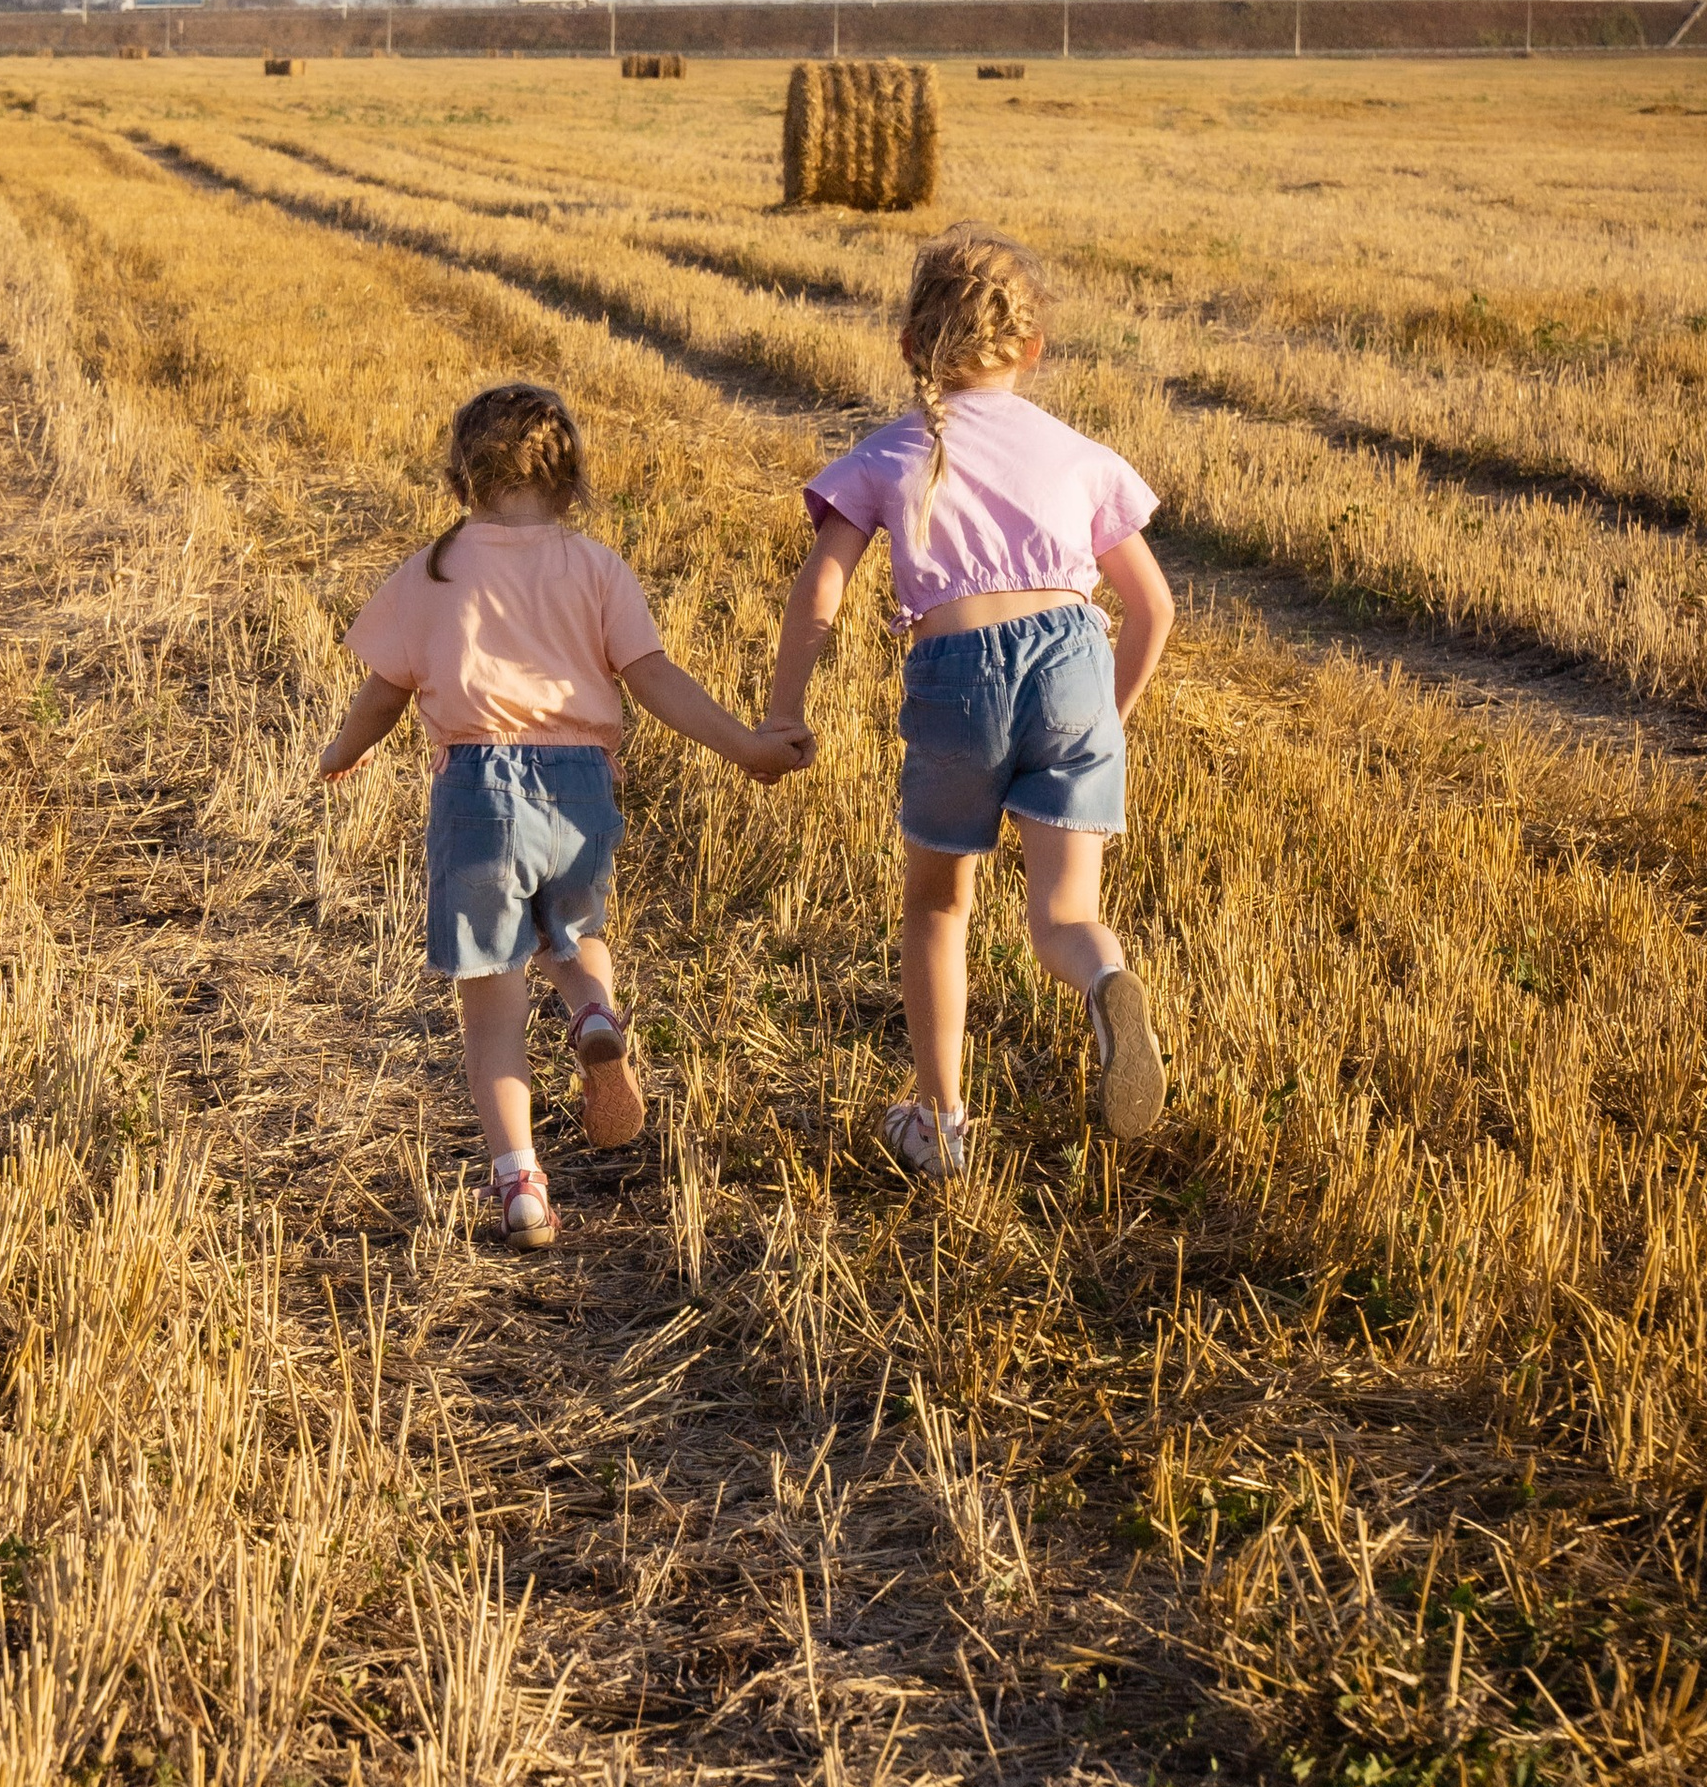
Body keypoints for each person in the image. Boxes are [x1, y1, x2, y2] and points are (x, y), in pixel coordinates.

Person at [319, 380, 811, 1247]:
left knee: (493, 1008)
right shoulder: (596, 568)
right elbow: (655, 678)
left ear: (462, 479)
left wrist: (344, 751)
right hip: (581, 786)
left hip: (475, 790)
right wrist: (744, 746)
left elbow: (382, 694)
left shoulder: (432, 569)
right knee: (577, 938)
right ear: (572, 481)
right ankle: (591, 1012)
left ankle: (521, 1185)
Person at [764, 224, 1174, 1175]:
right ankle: (1106, 980)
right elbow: (1152, 608)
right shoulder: (1079, 453)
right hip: (1076, 661)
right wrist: (1106, 719)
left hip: (959, 677)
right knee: (1066, 916)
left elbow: (820, 591)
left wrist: (786, 707)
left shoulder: (887, 453)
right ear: (1033, 350)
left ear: (910, 348)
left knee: (940, 906)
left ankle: (941, 1124)